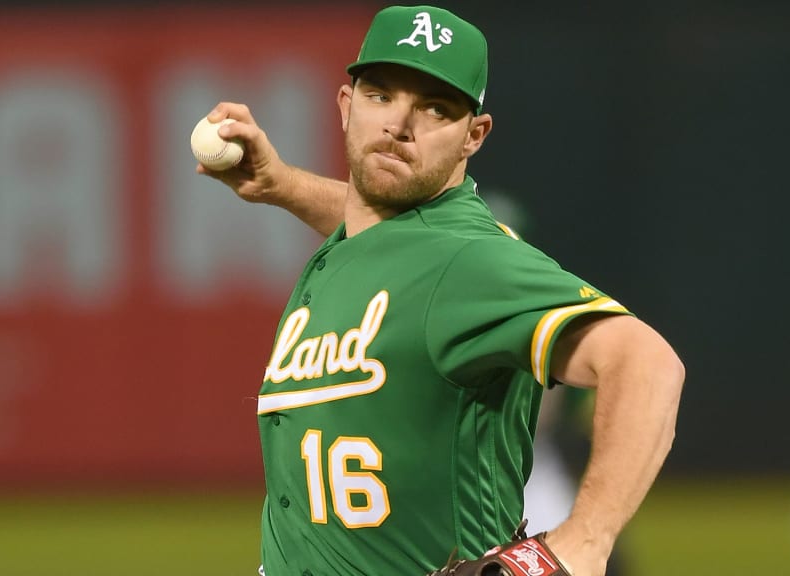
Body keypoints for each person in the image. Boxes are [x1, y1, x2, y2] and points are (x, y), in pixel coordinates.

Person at [196, 6, 685, 575]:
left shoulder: (469, 260)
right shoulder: (371, 242)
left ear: (473, 136)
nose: (399, 124)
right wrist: (282, 185)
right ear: (346, 105)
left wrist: (585, 541)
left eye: (435, 108)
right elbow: (384, 233)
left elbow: (649, 364)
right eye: (381, 95)